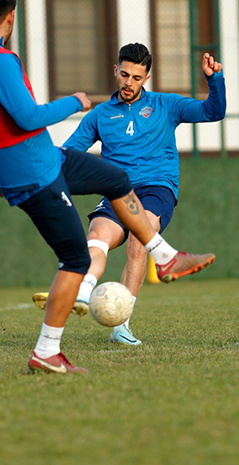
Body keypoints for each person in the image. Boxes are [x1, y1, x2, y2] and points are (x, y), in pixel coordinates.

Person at [0, 0, 215, 374]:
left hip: (43, 161)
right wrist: (74, 102)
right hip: (38, 170)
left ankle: (165, 255)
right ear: (11, 18)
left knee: (115, 179)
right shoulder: (0, 60)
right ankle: (47, 350)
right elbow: (28, 118)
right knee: (76, 259)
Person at [32, 43, 226, 345]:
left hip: (156, 188)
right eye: (124, 75)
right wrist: (39, 170)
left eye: (136, 77)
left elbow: (213, 112)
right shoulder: (99, 115)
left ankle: (121, 326)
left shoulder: (166, 104)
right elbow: (68, 155)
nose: (128, 83)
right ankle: (82, 292)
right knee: (96, 235)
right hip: (117, 190)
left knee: (139, 238)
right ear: (116, 70)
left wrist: (214, 80)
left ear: (146, 78)